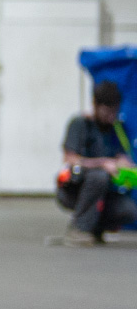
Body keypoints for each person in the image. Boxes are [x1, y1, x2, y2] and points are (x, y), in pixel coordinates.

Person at [59, 81, 135, 246]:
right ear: (95, 105)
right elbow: (70, 159)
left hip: (104, 192)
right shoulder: (80, 124)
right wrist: (103, 163)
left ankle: (95, 228)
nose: (111, 116)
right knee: (99, 176)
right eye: (107, 111)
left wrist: (124, 164)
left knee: (130, 211)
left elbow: (122, 156)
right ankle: (78, 229)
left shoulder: (116, 129)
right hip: (75, 188)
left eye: (115, 111)